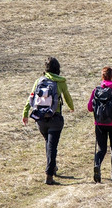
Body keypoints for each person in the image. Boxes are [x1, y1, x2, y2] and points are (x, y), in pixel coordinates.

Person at [22, 57, 74, 185]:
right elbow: (67, 97)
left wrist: (25, 114)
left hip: (40, 119)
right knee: (52, 147)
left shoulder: (39, 81)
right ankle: (49, 175)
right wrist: (72, 107)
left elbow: (31, 97)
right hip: (55, 118)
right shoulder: (60, 82)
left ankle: (53, 166)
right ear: (58, 69)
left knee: (48, 143)